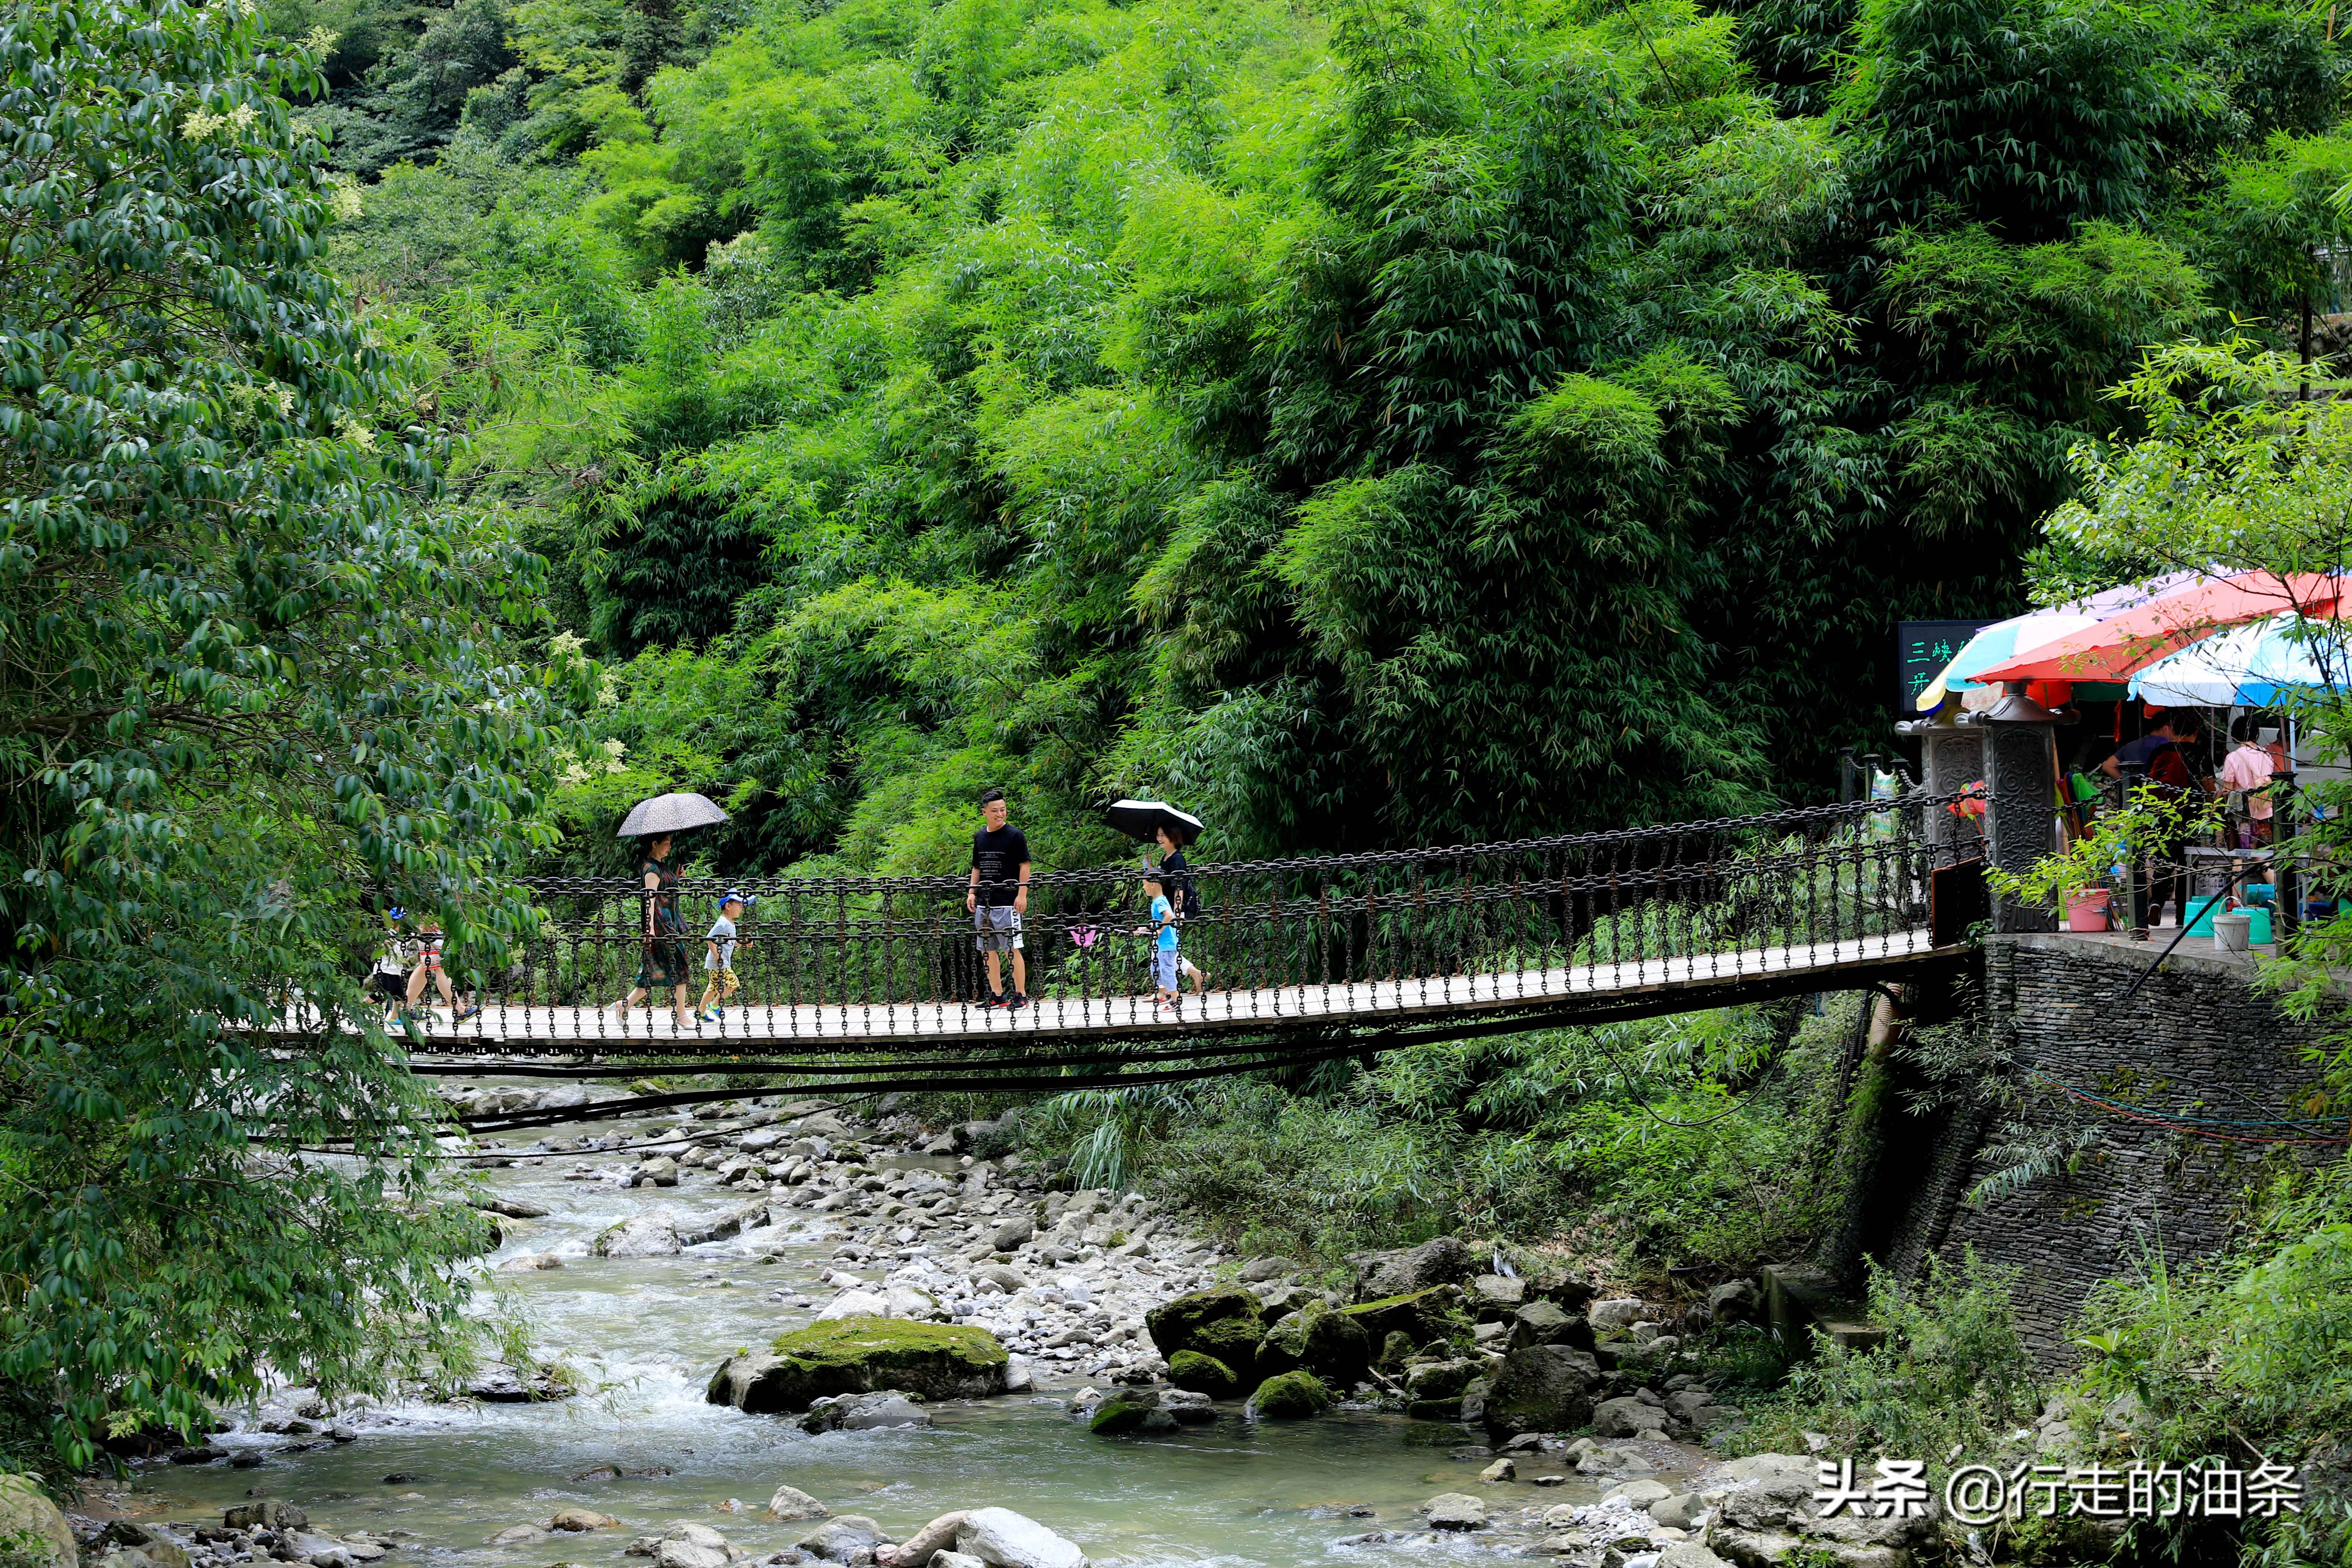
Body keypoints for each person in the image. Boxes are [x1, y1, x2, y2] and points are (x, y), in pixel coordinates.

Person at [609, 832, 693, 1029]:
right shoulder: (651, 870)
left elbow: (666, 891)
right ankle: (681, 1015)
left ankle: (624, 1005)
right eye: (666, 843)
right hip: (662, 926)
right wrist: (649, 928)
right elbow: (650, 900)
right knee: (680, 964)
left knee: (654, 970)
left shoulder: (661, 867)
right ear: (654, 844)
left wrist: (677, 877)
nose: (670, 847)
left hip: (668, 924)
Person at [966, 788, 1030, 1009]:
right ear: (985, 812)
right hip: (985, 902)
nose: (1000, 814)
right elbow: (977, 867)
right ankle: (997, 994)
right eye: (995, 811)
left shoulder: (1015, 835)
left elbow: (1025, 866)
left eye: (1003, 810)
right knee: (987, 949)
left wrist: (1022, 894)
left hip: (1007, 901)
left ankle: (1021, 995)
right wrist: (972, 892)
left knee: (1012, 949)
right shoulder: (980, 837)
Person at [1153, 823, 1210, 995]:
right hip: (1165, 909)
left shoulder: (1177, 859)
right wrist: (1149, 867)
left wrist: (1177, 914)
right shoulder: (1165, 858)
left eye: (1163, 835)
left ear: (1174, 837)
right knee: (1165, 950)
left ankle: (1164, 990)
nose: (1159, 839)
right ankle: (1196, 975)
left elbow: (1180, 887)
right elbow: (1157, 883)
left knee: (1164, 950)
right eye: (1158, 835)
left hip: (1173, 910)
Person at [405, 913, 477, 1023]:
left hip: (429, 920)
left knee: (426, 966)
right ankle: (460, 1009)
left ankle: (406, 1009)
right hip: (430, 922)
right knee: (440, 965)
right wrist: (428, 918)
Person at [697, 889, 750, 1024]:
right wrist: (717, 956)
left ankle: (700, 1012)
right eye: (739, 906)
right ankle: (715, 1005)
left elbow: (731, 943)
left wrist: (744, 944)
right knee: (733, 983)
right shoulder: (723, 923)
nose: (741, 909)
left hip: (719, 961)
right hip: (719, 961)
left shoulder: (730, 923)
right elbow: (710, 938)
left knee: (713, 988)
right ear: (728, 906)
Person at [2222, 716, 2277, 844]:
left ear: (2234, 734)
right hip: (2266, 809)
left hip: (2243, 815)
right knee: (2263, 852)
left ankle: (2238, 864)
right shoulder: (2267, 754)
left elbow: (2227, 790)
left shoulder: (2233, 757)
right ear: (2256, 734)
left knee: (2239, 854)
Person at [1135, 866, 1181, 1018]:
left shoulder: (1159, 901)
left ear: (1153, 884)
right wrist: (1143, 929)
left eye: (1145, 884)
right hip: (1165, 944)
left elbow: (1169, 916)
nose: (1144, 887)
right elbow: (1159, 920)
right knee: (1158, 968)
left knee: (1167, 971)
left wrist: (1160, 931)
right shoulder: (1158, 901)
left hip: (1167, 944)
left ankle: (1176, 1000)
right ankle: (1168, 995)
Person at [371, 905, 413, 1021]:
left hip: (396, 972)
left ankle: (396, 1017)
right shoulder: (388, 935)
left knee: (398, 994)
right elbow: (378, 948)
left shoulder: (407, 936)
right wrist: (383, 945)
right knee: (380, 994)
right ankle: (362, 1005)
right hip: (384, 970)